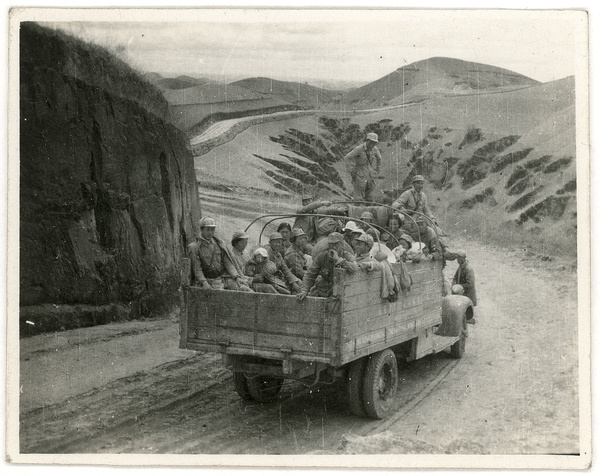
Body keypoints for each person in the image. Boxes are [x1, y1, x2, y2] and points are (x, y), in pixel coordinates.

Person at [297, 232, 358, 300]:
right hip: (324, 291)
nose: (334, 247)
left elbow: (355, 268)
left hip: (342, 292)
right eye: (331, 244)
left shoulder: (347, 256)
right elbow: (310, 274)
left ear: (342, 245)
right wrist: (304, 290)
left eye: (337, 244)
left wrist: (338, 260)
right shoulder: (322, 256)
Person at [187, 217, 243, 290]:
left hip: (221, 278)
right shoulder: (194, 247)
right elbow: (197, 269)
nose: (210, 232)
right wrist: (204, 283)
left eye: (212, 230)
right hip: (207, 281)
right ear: (201, 229)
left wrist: (236, 277)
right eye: (207, 230)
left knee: (244, 288)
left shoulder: (219, 244)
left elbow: (227, 262)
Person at [344, 132, 382, 202]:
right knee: (359, 195)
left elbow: (379, 158)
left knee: (370, 194)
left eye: (374, 143)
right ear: (367, 140)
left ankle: (368, 210)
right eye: (371, 142)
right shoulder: (358, 149)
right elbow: (347, 157)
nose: (372, 144)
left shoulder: (374, 149)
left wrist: (378, 168)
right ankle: (358, 209)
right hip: (359, 172)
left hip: (370, 173)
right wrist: (351, 169)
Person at [452, 250, 477, 323]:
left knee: (467, 306)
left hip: (467, 292)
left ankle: (469, 319)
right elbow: (455, 277)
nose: (457, 260)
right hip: (461, 291)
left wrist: (459, 286)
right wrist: (453, 285)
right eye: (457, 258)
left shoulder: (468, 269)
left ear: (463, 258)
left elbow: (470, 284)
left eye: (459, 258)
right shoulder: (460, 267)